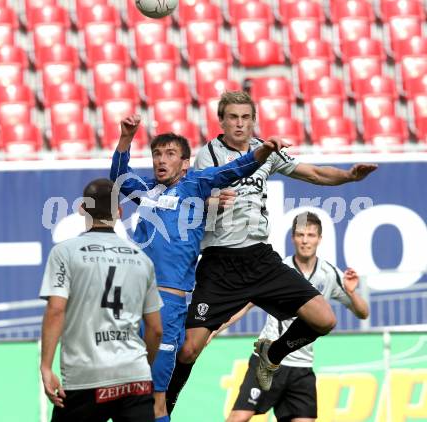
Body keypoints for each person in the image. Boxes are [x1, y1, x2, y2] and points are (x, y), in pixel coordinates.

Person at [166, 91, 377, 412]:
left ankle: (272, 355)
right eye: (233, 117)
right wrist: (212, 201)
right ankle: (164, 406)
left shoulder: (265, 151)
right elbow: (190, 199)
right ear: (221, 120)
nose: (240, 123)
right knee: (188, 350)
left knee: (324, 319)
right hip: (220, 264)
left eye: (246, 117)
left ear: (253, 120)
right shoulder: (208, 154)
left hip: (261, 259)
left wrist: (349, 177)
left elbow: (315, 173)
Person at [109, 115, 291, 422]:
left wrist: (262, 152)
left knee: (156, 399)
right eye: (156, 154)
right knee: (124, 391)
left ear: (184, 162)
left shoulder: (195, 186)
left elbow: (234, 169)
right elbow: (118, 178)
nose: (161, 161)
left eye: (169, 154)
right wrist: (126, 138)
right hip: (130, 303)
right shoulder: (147, 192)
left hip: (167, 304)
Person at [212, 211, 370, 422]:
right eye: (300, 234)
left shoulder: (329, 273)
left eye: (311, 235)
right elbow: (246, 304)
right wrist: (214, 329)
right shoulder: (279, 270)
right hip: (266, 363)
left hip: (302, 368)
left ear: (319, 239)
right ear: (293, 237)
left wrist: (351, 292)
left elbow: (363, 312)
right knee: (238, 418)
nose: (305, 240)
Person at [39, 178, 164, 422]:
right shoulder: (141, 259)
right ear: (119, 211)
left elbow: (56, 310)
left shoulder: (65, 252)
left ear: (82, 209)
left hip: (86, 376)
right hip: (134, 377)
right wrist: (142, 366)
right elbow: (156, 329)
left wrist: (46, 366)